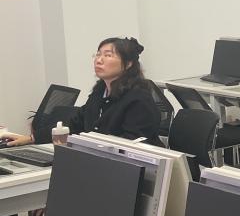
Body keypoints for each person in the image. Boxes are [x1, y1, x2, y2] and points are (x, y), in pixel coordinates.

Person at [2, 37, 161, 147]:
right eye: (98, 54)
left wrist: (82, 147)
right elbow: (74, 124)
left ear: (128, 64)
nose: (99, 60)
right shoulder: (100, 92)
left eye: (108, 55)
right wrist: (31, 138)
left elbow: (133, 144)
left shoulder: (139, 99)